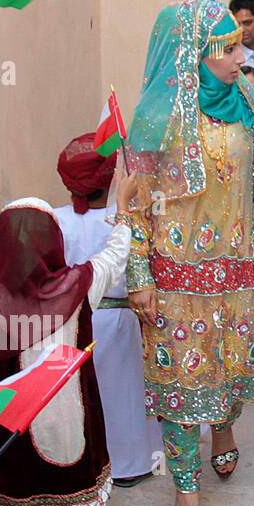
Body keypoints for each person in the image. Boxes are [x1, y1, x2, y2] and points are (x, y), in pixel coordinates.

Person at [126, 0, 254, 506]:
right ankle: (187, 488)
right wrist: (139, 275)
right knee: (181, 379)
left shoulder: (249, 100)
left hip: (236, 271)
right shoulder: (156, 116)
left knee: (232, 362)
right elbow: (135, 205)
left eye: (238, 45)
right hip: (174, 278)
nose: (239, 56)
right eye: (227, 49)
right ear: (193, 54)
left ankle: (225, 431)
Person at [0, 173, 137, 506]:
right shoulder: (78, 284)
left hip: (17, 432)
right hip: (76, 429)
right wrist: (123, 207)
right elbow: (116, 256)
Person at [52, 133, 162, 487]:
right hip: (118, 320)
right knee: (124, 394)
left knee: (88, 397)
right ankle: (129, 463)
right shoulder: (124, 218)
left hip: (76, 321)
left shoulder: (56, 220)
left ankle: (88, 467)